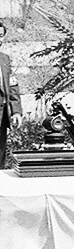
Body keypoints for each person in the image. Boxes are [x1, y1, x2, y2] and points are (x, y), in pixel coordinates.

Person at [0, 24, 19, 166]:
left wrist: (16, 111)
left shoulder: (5, 59)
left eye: (1, 36)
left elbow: (12, 86)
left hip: (2, 117)